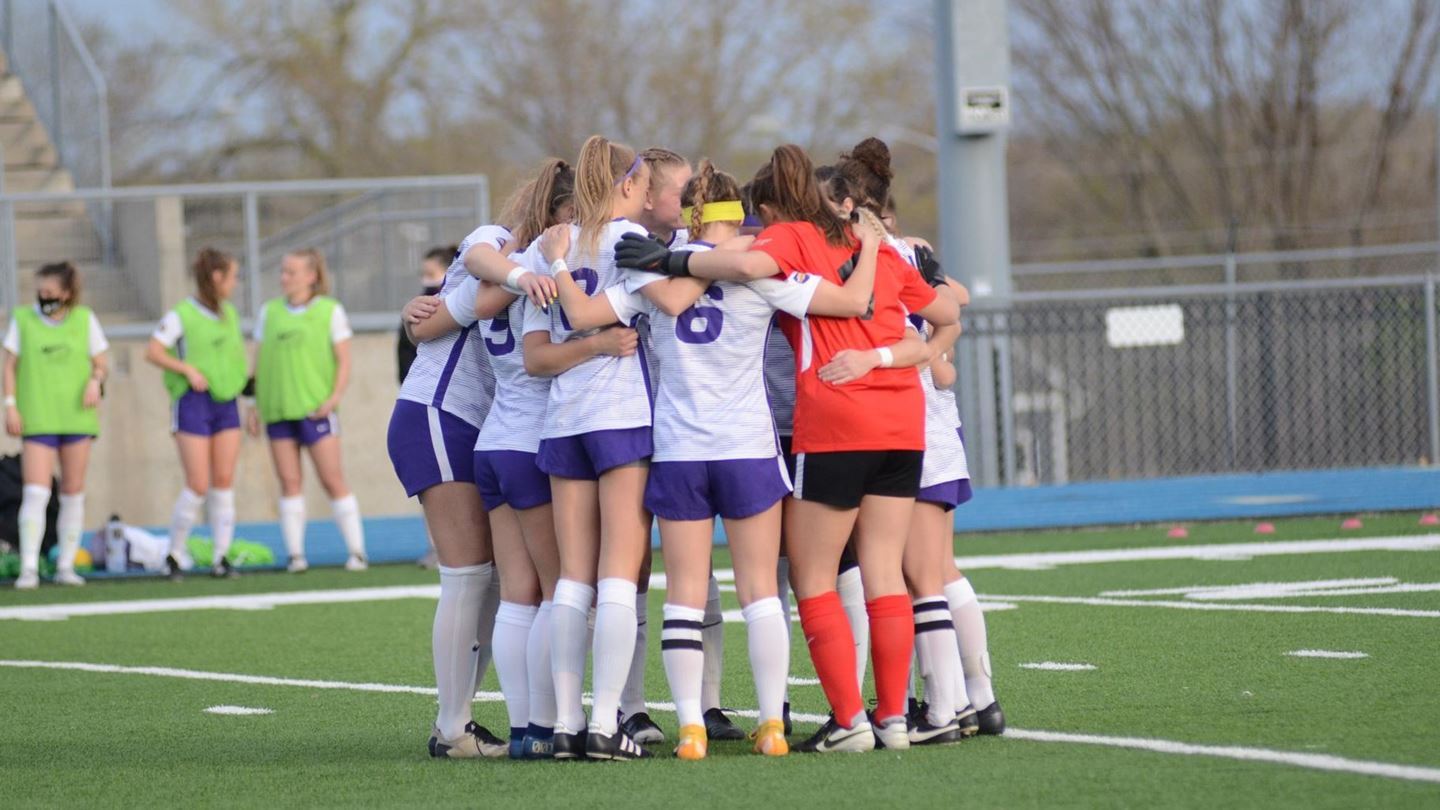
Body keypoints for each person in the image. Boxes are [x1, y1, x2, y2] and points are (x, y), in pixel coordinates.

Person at [615, 143, 959, 753]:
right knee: (873, 577)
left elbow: (704, 282)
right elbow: (936, 310)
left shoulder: (773, 243)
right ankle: (886, 719)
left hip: (787, 428)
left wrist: (673, 258)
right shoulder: (861, 247)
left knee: (783, 581)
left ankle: (732, 721)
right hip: (890, 424)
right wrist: (879, 254)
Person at [551, 159, 887, 760]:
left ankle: (690, 729)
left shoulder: (650, 269)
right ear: (740, 218)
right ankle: (773, 725)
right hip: (748, 450)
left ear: (687, 216)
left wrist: (556, 265)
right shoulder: (762, 274)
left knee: (682, 594)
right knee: (760, 591)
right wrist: (867, 246)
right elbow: (855, 303)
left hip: (679, 451)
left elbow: (583, 317)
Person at [510, 135, 656, 761]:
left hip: (563, 420)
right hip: (620, 418)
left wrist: (557, 262)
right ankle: (604, 723)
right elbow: (599, 314)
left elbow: (536, 358)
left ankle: (565, 724)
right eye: (645, 187)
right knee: (617, 577)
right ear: (625, 185)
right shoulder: (630, 242)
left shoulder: (551, 244)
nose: (648, 200)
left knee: (573, 579)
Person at [250, 248, 367, 572]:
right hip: (278, 410)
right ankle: (295, 555)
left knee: (332, 479)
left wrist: (333, 398)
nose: (284, 277)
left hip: (316, 409)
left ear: (311, 276)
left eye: (292, 272)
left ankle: (357, 551)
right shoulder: (269, 312)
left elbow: (344, 361)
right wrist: (253, 404)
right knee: (289, 482)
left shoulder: (330, 311)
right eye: (283, 271)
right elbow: (257, 362)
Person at [145, 248, 249, 580]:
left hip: (225, 402)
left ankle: (221, 557)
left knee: (223, 481)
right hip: (193, 403)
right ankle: (173, 555)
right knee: (197, 483)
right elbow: (154, 351)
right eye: (231, 276)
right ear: (216, 278)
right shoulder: (182, 314)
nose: (234, 284)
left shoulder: (228, 313)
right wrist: (187, 370)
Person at [2, 261, 108, 589]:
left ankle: (65, 565)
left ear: (67, 293)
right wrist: (11, 406)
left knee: (73, 492)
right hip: (39, 417)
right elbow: (10, 365)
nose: (44, 297)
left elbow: (101, 362)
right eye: (40, 292)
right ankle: (30, 567)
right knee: (36, 491)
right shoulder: (24, 320)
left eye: (50, 292)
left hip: (76, 416)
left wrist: (95, 380)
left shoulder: (84, 319)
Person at [397, 246, 455, 386]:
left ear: (449, 272)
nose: (425, 280)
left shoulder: (457, 305)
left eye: (430, 274)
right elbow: (407, 348)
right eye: (422, 274)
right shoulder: (419, 306)